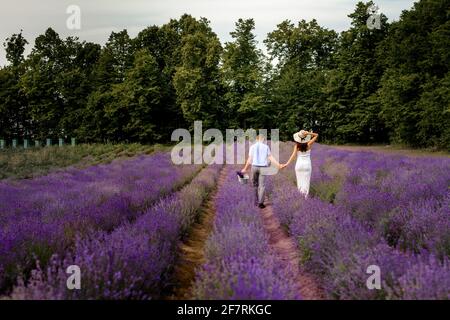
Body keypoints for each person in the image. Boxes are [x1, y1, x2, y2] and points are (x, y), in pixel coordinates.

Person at [241, 135, 282, 208]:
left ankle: (255, 201)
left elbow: (250, 159)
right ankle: (261, 203)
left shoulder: (252, 147)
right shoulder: (266, 147)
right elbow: (270, 157)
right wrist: (278, 165)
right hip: (263, 168)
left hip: (254, 167)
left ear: (257, 139)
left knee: (254, 184)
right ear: (263, 139)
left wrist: (245, 168)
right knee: (262, 186)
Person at [281, 130, 318, 198]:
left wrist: (286, 164)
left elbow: (293, 156)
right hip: (307, 165)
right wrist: (308, 133)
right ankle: (305, 198)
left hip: (299, 165)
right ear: (305, 137)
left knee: (300, 182)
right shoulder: (309, 144)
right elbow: (316, 135)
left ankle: (300, 198)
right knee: (306, 182)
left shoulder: (297, 146)